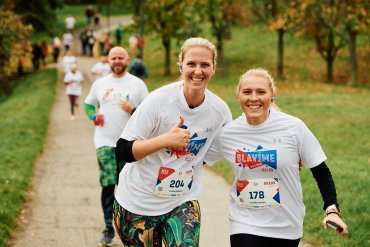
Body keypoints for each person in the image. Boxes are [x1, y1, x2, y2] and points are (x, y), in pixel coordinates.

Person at [204, 68, 348, 247]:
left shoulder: (293, 128)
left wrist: (332, 210)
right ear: (238, 96)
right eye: (247, 92)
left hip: (286, 225)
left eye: (261, 92)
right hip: (244, 223)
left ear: (272, 96)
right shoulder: (227, 134)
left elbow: (321, 172)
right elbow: (193, 160)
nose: (254, 98)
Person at [113, 37, 232, 247]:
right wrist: (164, 141)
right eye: (191, 64)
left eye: (205, 65)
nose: (198, 71)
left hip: (181, 201)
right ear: (181, 65)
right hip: (137, 203)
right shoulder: (159, 101)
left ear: (213, 68)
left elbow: (228, 146)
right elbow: (122, 151)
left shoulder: (220, 111)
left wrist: (287, 156)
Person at [84, 46, 149, 246]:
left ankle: (128, 229)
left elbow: (149, 113)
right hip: (104, 141)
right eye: (114, 58)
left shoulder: (137, 84)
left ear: (127, 60)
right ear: (108, 61)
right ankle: (108, 228)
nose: (117, 60)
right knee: (108, 184)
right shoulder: (99, 84)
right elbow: (88, 104)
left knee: (128, 187)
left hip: (129, 145)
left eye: (121, 57)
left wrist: (133, 109)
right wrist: (94, 116)